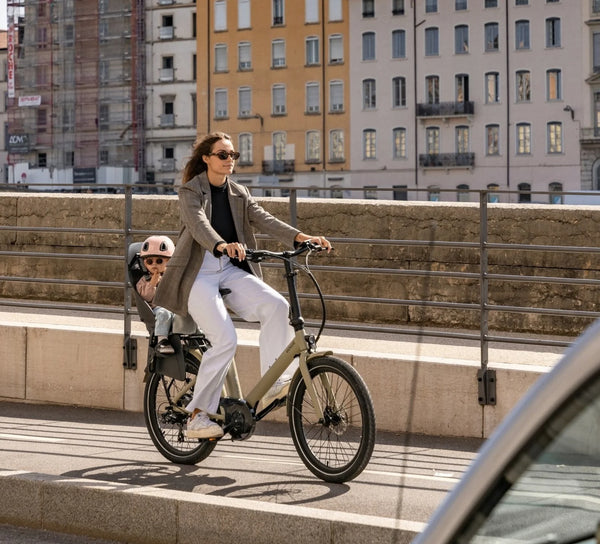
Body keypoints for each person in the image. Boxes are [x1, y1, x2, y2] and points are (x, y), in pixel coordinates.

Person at [154, 131, 331, 439]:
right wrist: (221, 245)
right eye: (223, 155)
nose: (229, 160)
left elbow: (264, 219)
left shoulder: (239, 193)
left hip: (230, 269)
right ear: (207, 159)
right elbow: (198, 225)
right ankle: (197, 416)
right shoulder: (190, 191)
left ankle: (276, 383)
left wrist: (302, 238)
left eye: (233, 155)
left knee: (278, 307)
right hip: (198, 274)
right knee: (225, 339)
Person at [136, 235, 176, 356]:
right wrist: (152, 284)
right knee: (164, 313)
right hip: (156, 308)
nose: (154, 265)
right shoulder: (144, 280)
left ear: (168, 261)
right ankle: (162, 340)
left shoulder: (171, 277)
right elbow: (146, 298)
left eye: (159, 261)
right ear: (144, 263)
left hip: (174, 306)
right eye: (150, 261)